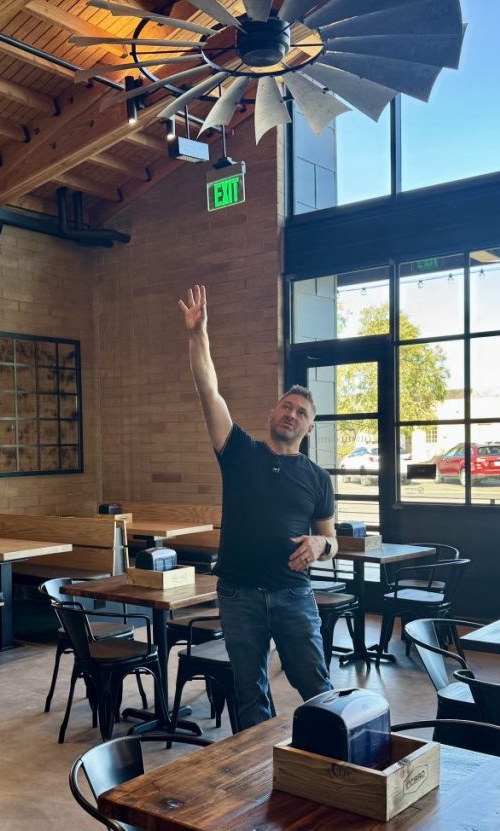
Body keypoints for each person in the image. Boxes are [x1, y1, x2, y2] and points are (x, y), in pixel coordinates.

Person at [178, 284, 337, 729]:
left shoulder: (317, 478)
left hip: (293, 593)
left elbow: (331, 538)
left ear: (310, 426)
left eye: (301, 411)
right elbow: (208, 390)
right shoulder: (239, 451)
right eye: (286, 406)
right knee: (249, 692)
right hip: (238, 594)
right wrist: (198, 334)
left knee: (316, 687)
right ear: (272, 413)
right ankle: (257, 781)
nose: (292, 414)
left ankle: (327, 768)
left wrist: (320, 548)